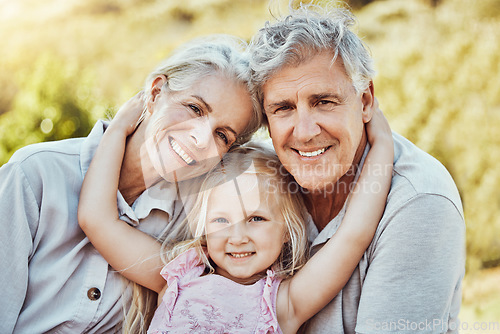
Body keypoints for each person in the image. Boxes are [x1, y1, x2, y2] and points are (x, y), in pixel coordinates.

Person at [0, 35, 263, 333]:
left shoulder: (196, 222)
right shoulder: (35, 175)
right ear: (155, 92)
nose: (201, 139)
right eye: (194, 108)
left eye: (222, 135)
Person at [77, 91, 393, 333]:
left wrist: (382, 145)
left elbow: (353, 235)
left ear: (287, 230)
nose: (237, 237)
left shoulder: (284, 302)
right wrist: (118, 129)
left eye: (256, 219)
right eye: (220, 221)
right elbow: (97, 220)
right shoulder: (179, 274)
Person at [249, 3, 465, 333]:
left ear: (365, 102)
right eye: (283, 108)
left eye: (323, 101)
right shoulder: (254, 185)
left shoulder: (419, 200)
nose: (305, 132)